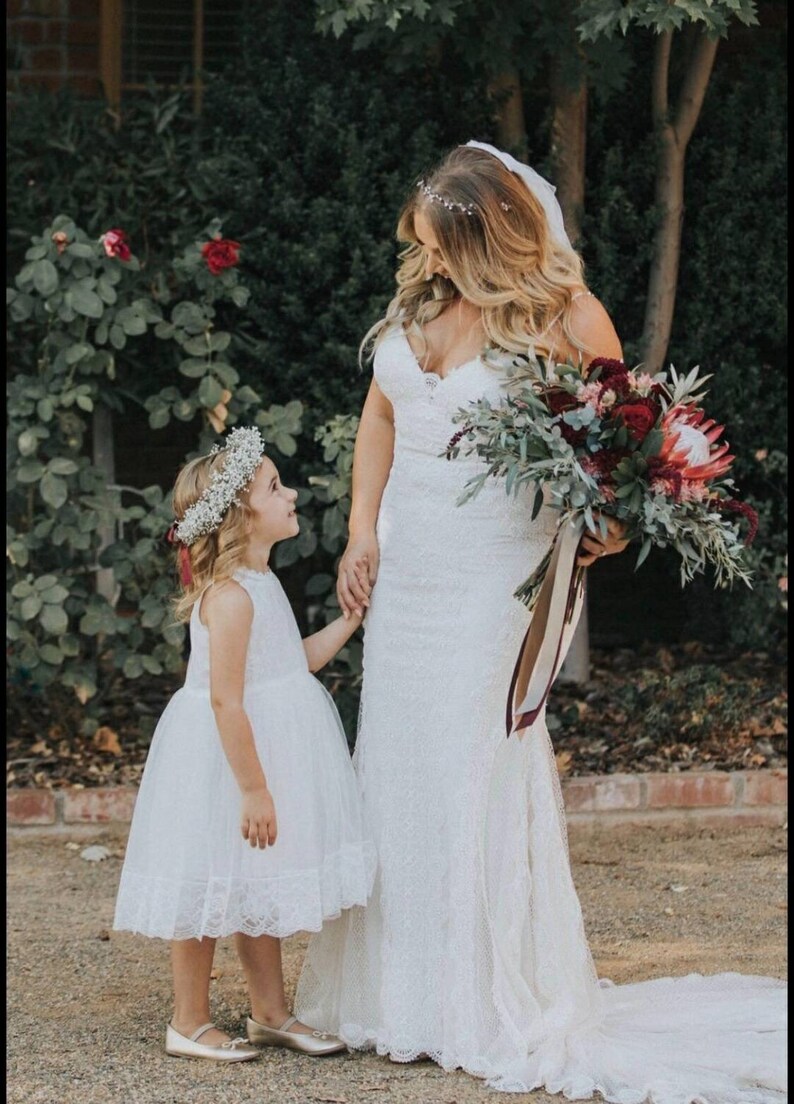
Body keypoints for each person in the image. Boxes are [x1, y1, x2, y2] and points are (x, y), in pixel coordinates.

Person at [295, 142, 787, 1099]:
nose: (427, 262)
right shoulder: (420, 302)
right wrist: (361, 532)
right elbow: (382, 420)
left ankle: (483, 997)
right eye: (423, 248)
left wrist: (605, 532)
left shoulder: (566, 317)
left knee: (472, 760)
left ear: (490, 239)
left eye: (441, 247)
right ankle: (398, 994)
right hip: (410, 568)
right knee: (395, 758)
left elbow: (625, 455)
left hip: (494, 577)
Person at [113, 426, 375, 1062]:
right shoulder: (228, 598)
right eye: (274, 487)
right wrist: (253, 788)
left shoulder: (262, 584)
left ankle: (270, 1013)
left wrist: (349, 621)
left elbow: (292, 663)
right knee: (205, 883)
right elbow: (226, 700)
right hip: (225, 761)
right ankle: (189, 1020)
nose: (290, 496)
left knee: (257, 883)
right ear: (239, 515)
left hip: (265, 747)